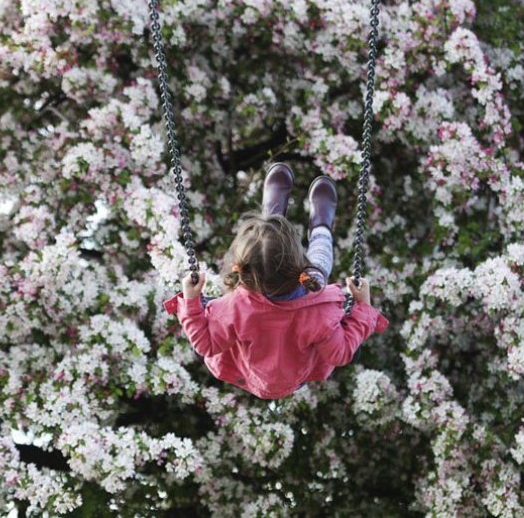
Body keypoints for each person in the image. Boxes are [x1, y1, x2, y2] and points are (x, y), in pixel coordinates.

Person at [163, 163, 389, 400]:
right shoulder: (319, 312)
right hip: (296, 377)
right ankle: (320, 225)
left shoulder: (234, 308)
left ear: (245, 273)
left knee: (270, 250)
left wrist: (191, 301)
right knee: (319, 268)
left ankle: (273, 214)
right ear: (300, 265)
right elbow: (341, 353)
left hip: (247, 372)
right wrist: (363, 307)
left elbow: (206, 345)